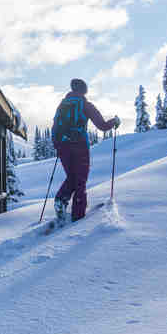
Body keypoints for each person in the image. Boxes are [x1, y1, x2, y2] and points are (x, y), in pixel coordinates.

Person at [52, 78, 120, 225]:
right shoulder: (86, 105)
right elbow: (102, 125)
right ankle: (78, 218)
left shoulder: (62, 105)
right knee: (80, 180)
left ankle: (60, 200)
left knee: (72, 176)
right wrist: (114, 121)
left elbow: (55, 127)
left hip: (63, 147)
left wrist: (58, 146)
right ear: (84, 91)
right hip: (80, 146)